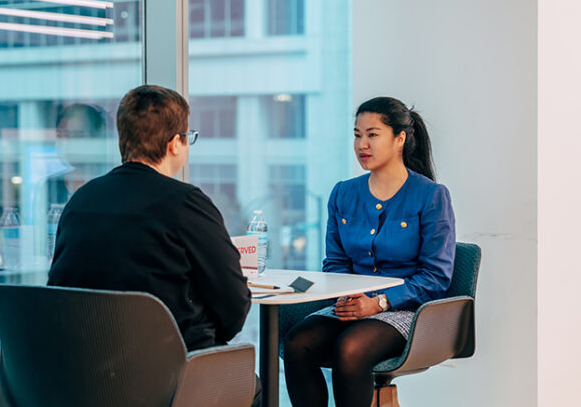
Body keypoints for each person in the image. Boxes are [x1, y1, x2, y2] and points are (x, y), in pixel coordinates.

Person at [48, 84, 252, 354]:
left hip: (90, 377)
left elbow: (59, 296)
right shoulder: (187, 204)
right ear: (174, 144)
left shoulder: (80, 201)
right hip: (170, 376)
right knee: (249, 383)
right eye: (187, 137)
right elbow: (234, 310)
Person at [283, 97, 456, 407]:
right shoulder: (343, 193)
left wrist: (379, 303)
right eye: (357, 134)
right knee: (298, 343)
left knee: (351, 348)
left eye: (372, 134)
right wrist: (345, 297)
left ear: (400, 139)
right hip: (353, 305)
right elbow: (335, 263)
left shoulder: (431, 196)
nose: (362, 144)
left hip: (404, 310)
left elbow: (436, 277)